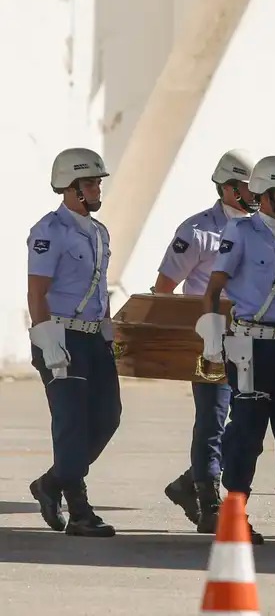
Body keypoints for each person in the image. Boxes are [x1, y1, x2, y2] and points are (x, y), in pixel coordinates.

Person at [195, 155, 275, 547]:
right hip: (247, 345)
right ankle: (232, 516)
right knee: (247, 433)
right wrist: (213, 342)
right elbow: (214, 289)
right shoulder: (240, 232)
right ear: (265, 195)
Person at [158, 149, 257, 533]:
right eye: (249, 187)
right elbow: (165, 287)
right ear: (230, 187)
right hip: (208, 341)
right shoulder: (196, 231)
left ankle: (190, 482)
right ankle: (207, 498)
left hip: (248, 340)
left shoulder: (259, 231)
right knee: (213, 419)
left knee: (247, 421)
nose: (256, 194)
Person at [26, 147, 121, 538]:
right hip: (60, 337)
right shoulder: (49, 231)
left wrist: (108, 328)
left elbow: (98, 287)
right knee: (70, 423)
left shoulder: (99, 232)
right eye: (91, 183)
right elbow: (37, 291)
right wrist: (47, 341)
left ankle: (51, 483)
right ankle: (79, 507)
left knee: (107, 418)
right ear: (71, 188)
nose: (98, 189)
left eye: (98, 182)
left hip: (93, 338)